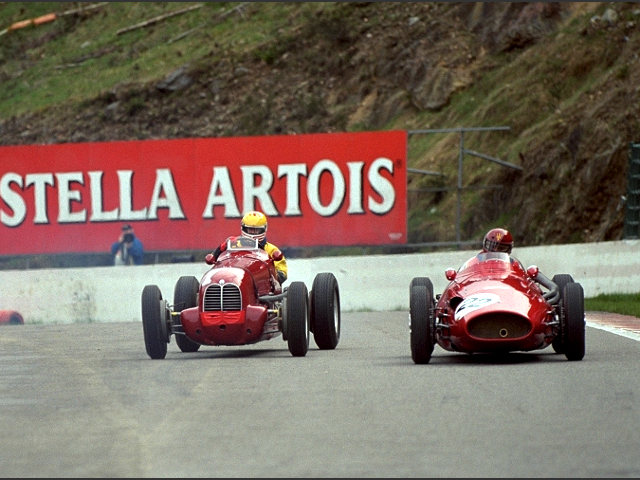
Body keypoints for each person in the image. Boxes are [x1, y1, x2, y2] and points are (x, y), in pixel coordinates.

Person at [211, 211, 288, 284]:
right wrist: (222, 247)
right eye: (250, 230)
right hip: (235, 278)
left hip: (261, 284)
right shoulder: (233, 245)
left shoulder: (271, 249)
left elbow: (282, 274)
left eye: (256, 231)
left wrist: (267, 275)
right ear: (243, 228)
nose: (253, 233)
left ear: (264, 229)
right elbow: (213, 259)